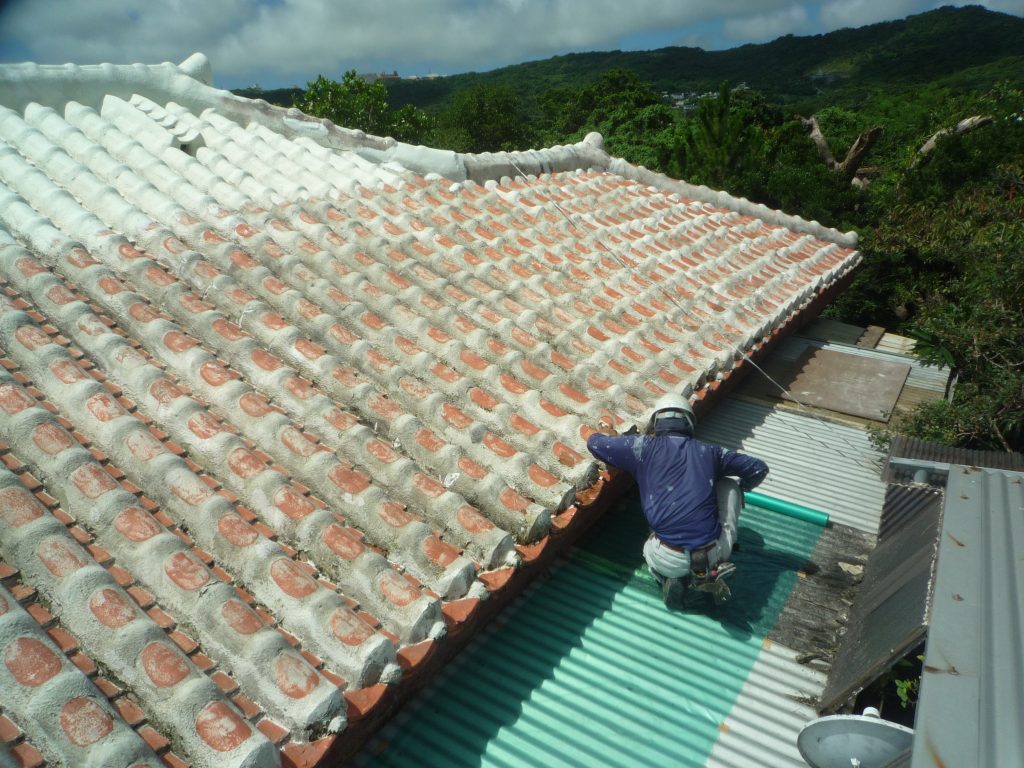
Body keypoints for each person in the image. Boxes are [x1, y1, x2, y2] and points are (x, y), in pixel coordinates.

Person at [586, 392, 769, 607]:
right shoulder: (711, 452)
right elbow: (758, 469)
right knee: (729, 485)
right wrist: (742, 487)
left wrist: (608, 432)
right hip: (713, 552)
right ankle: (707, 572)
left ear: (656, 423)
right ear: (690, 423)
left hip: (668, 558)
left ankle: (667, 578)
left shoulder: (641, 447)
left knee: (651, 542)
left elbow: (595, 443)